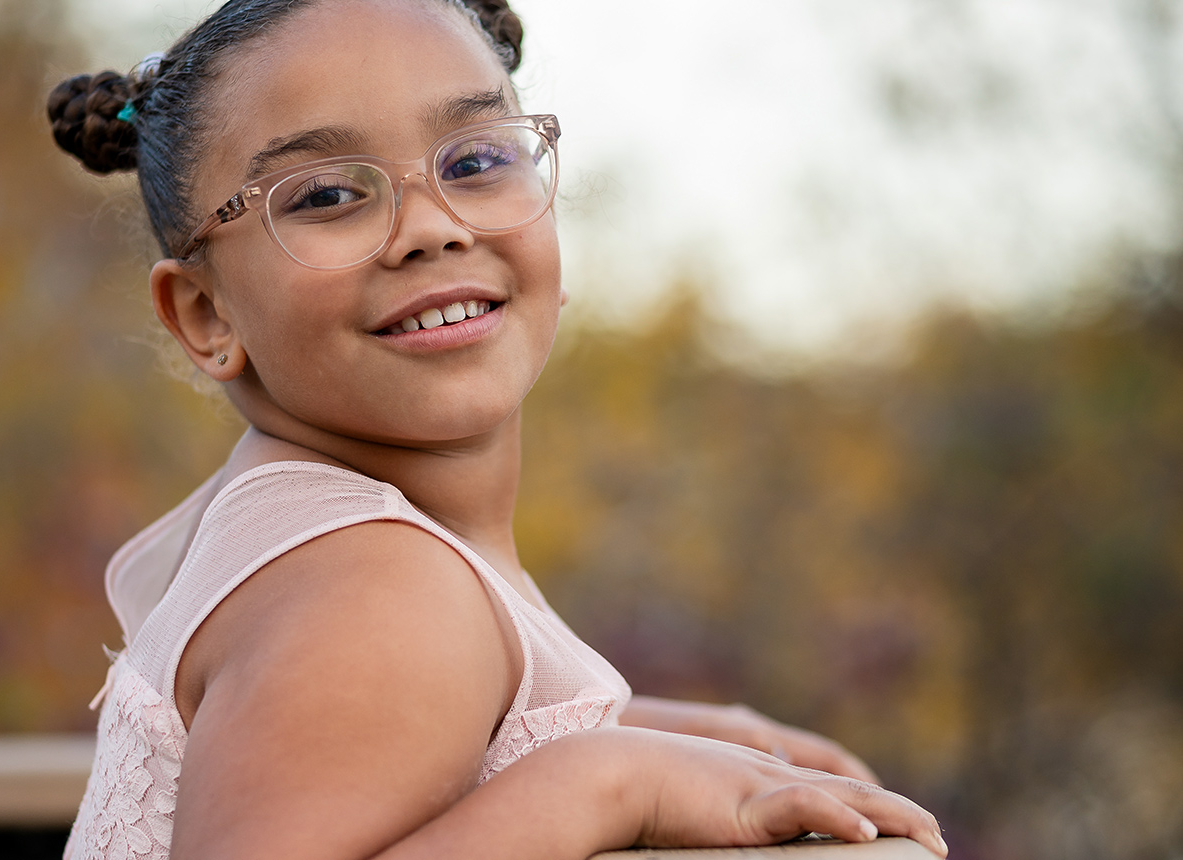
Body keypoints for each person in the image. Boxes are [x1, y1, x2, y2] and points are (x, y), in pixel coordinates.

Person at [47, 1, 949, 858]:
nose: (432, 228)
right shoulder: (375, 591)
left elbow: (414, 732)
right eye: (325, 194)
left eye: (475, 163)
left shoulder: (304, 533)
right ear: (205, 314)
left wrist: (694, 732)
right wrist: (605, 781)